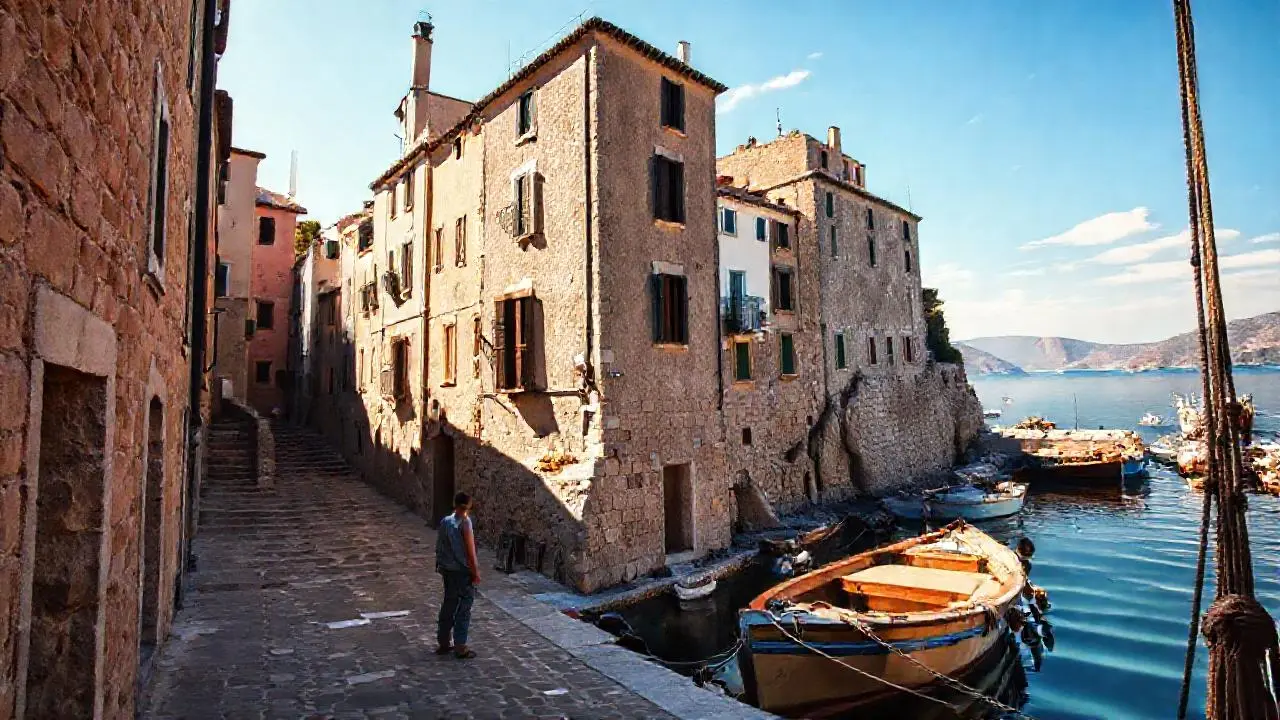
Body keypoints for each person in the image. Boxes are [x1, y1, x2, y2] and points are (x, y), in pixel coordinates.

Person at [436, 492, 480, 659]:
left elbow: (440, 547)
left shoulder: (445, 522)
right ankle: (460, 646)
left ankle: (443, 642)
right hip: (461, 572)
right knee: (464, 608)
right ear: (468, 505)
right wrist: (475, 572)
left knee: (449, 604)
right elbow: (470, 552)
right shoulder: (465, 523)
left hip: (447, 570)